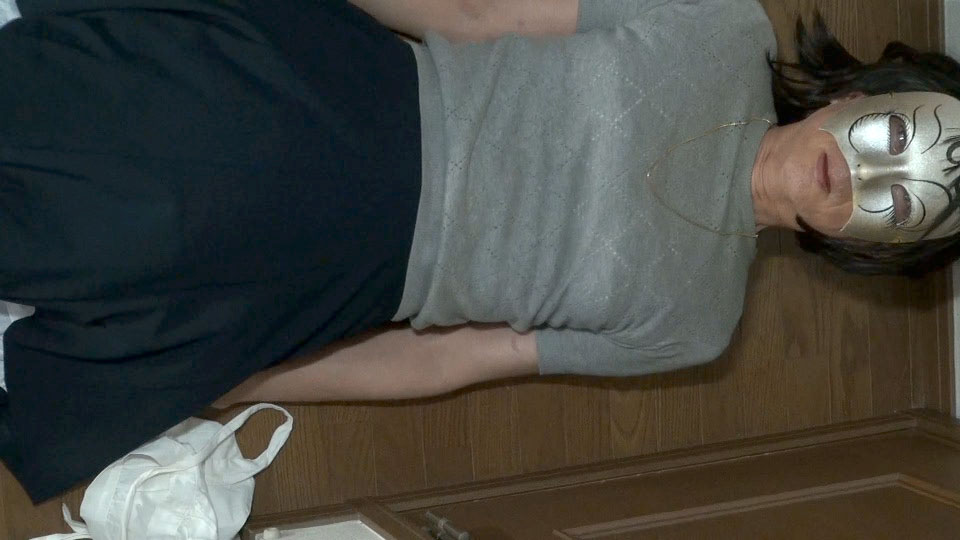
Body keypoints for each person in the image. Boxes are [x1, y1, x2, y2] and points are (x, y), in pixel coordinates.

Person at [0, 0, 958, 503]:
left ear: (872, 248)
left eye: (902, 204)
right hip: (350, 100)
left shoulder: (698, 326)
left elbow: (460, 356)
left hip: (345, 271)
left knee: (125, 229)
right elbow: (480, 14)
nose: (868, 175)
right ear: (859, 97)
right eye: (895, 136)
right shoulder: (722, 26)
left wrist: (250, 379)